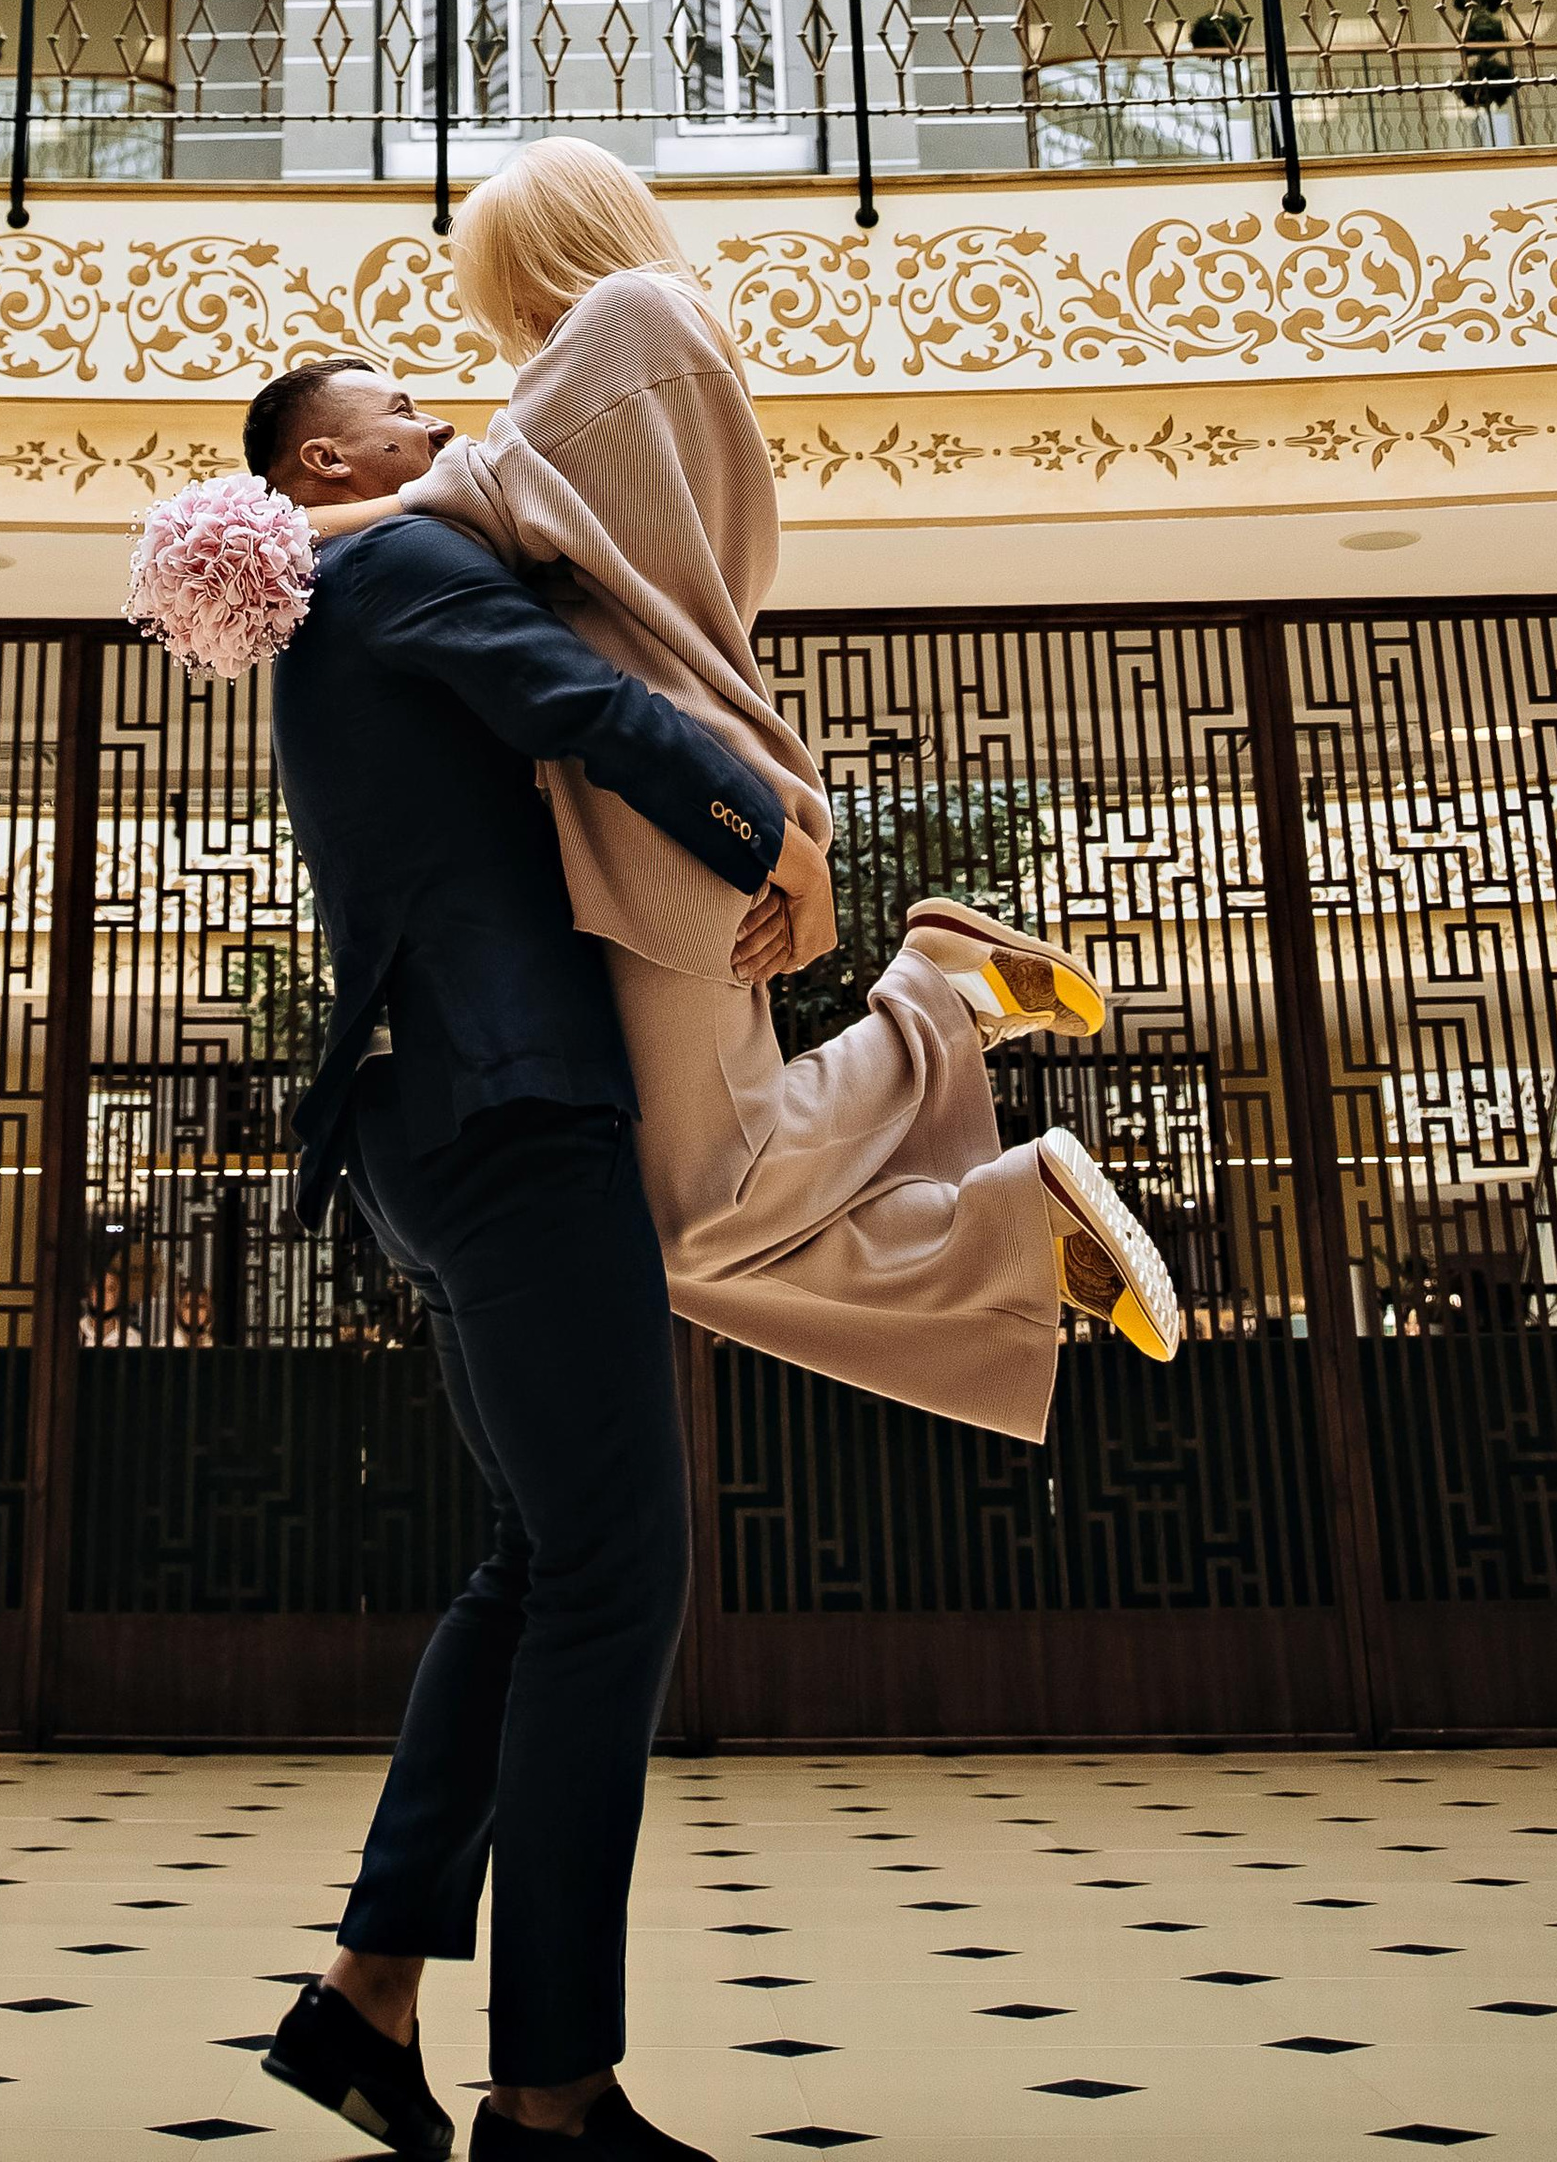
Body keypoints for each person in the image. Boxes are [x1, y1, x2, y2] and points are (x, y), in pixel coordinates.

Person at [317, 137, 1177, 1437]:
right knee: (686, 1223)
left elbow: (479, 494)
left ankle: (958, 1052)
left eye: (517, 295)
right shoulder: (654, 348)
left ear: (556, 252)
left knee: (693, 1215)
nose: (520, 337)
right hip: (664, 796)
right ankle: (977, 1111)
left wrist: (256, 533)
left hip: (666, 801)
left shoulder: (627, 321)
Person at [248, 353, 822, 2162]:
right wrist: (772, 840)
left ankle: (366, 1999)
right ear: (330, 456)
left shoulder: (339, 589)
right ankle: (556, 2095)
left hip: (435, 1118)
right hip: (510, 1111)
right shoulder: (394, 566)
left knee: (536, 1567)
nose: (442, 422)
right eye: (402, 406)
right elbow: (576, 704)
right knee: (614, 1583)